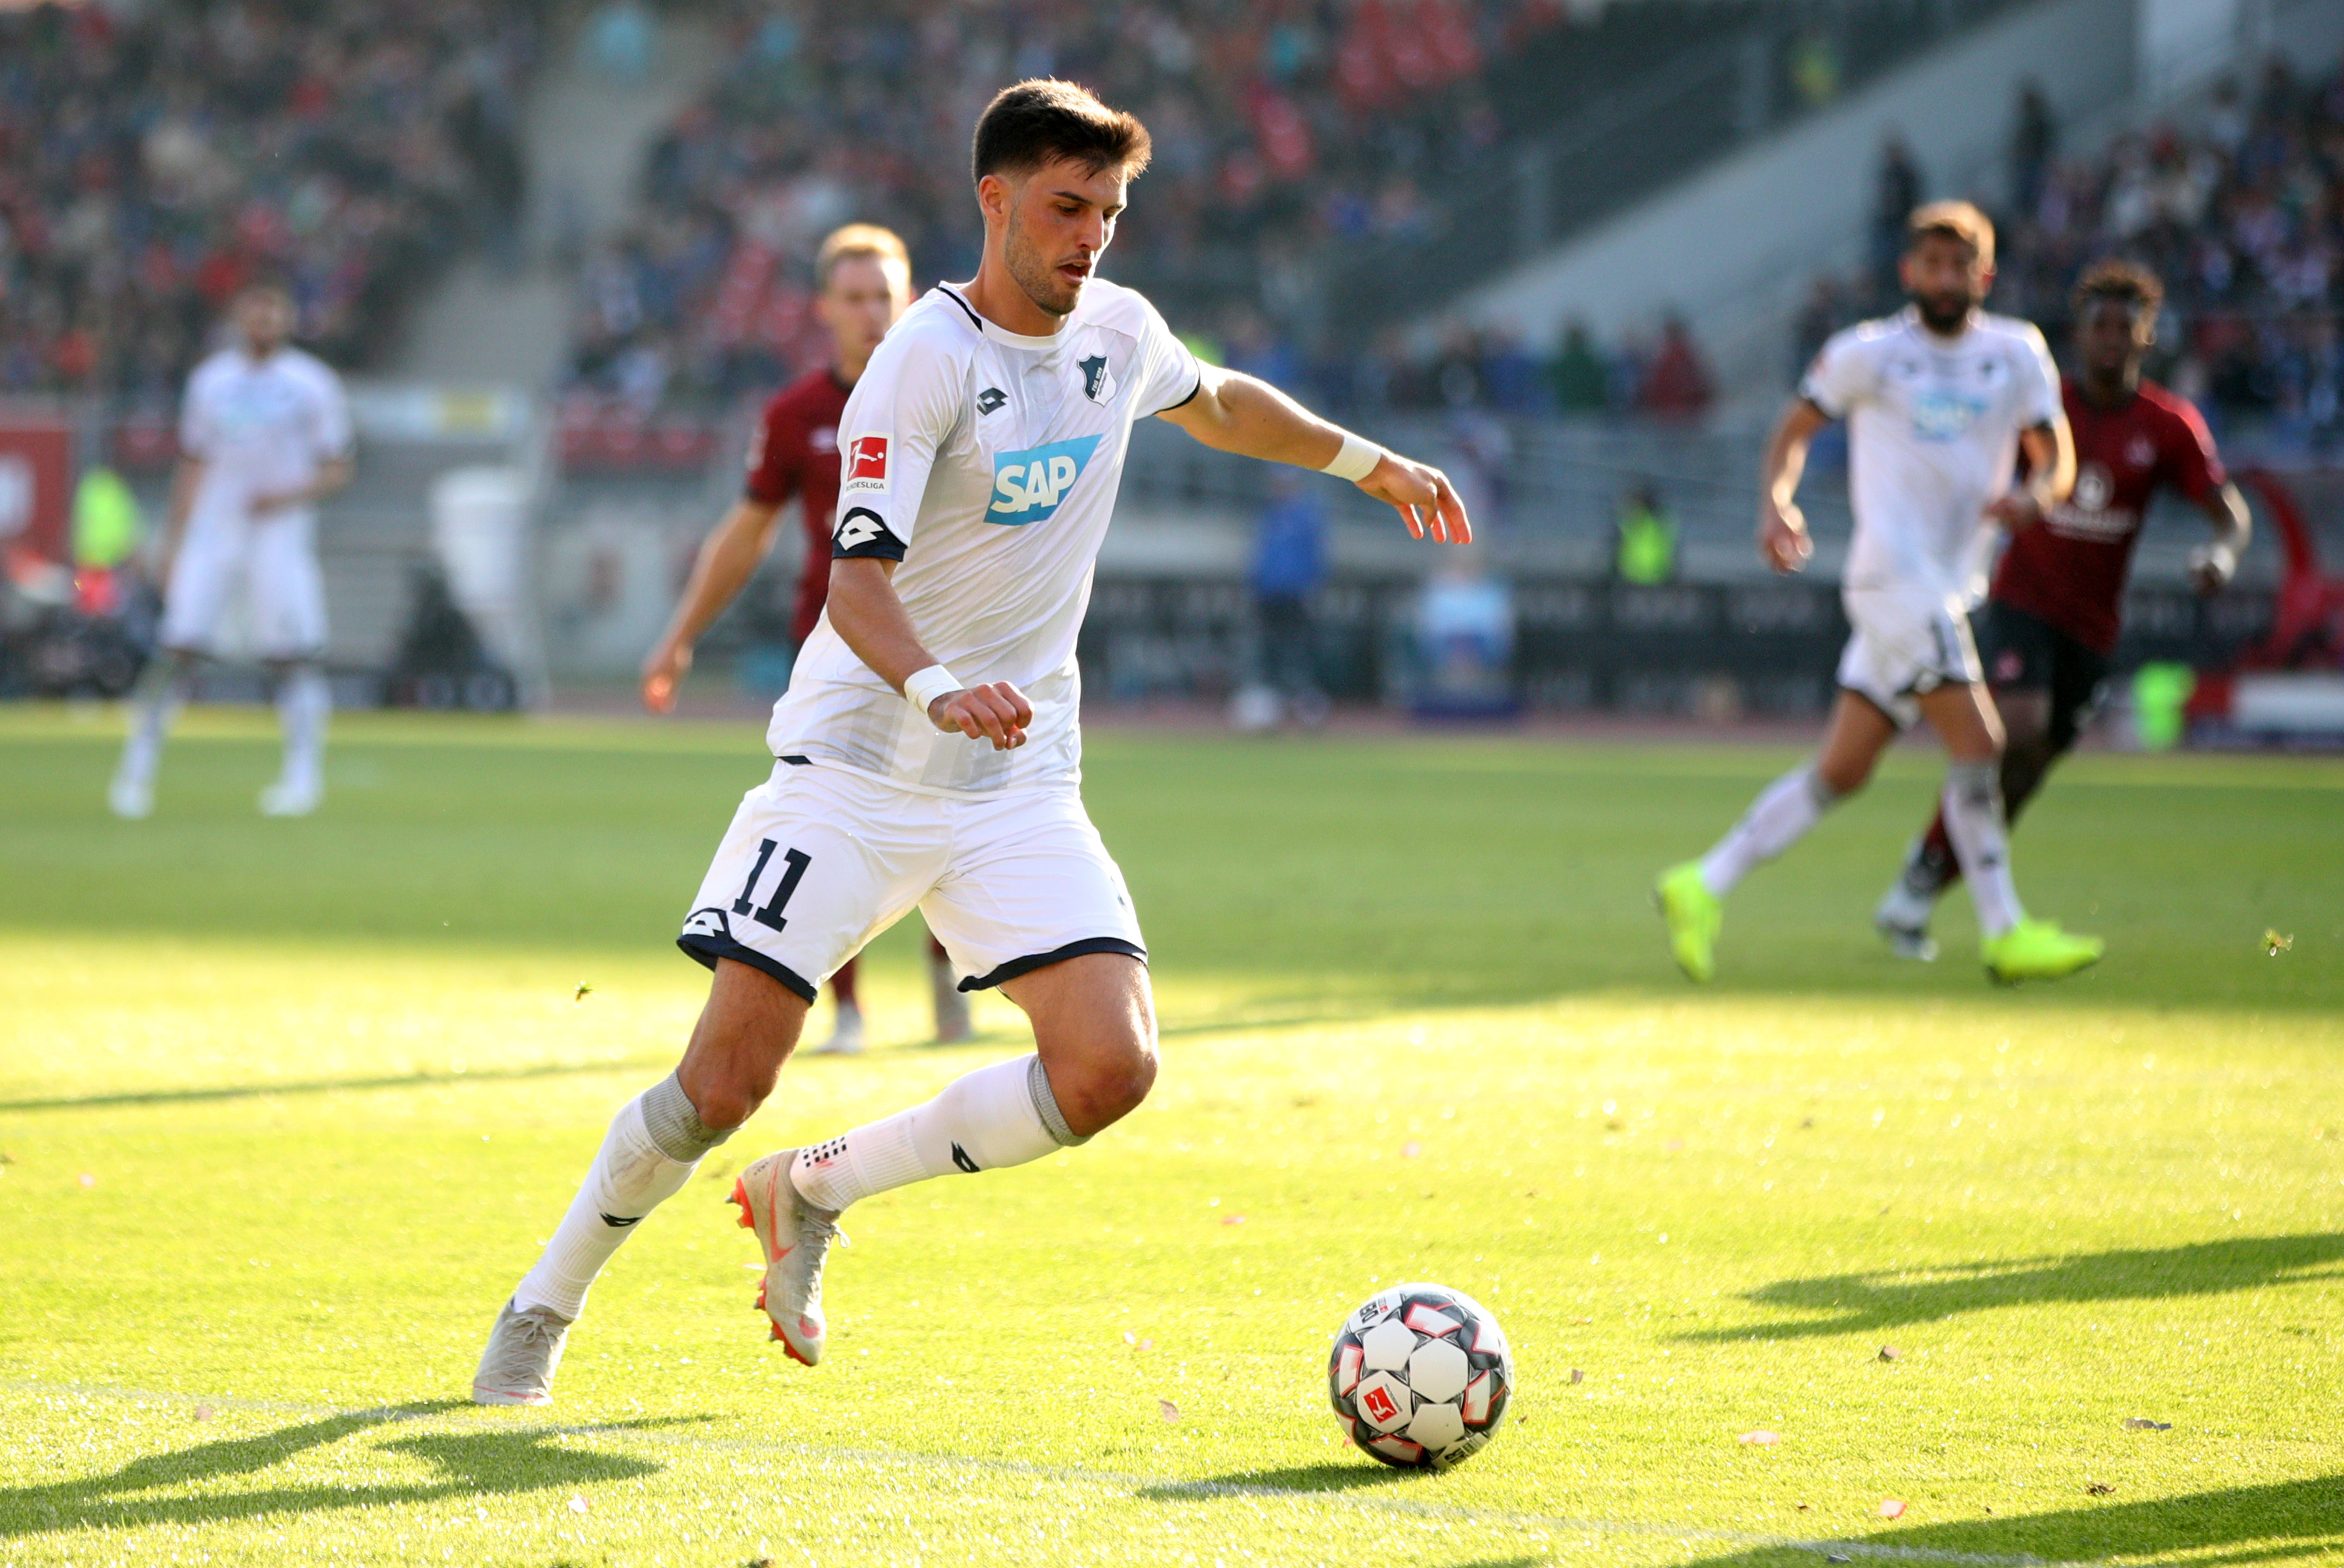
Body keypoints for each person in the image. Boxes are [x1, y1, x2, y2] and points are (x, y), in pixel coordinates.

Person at [472, 78, 1471, 1406]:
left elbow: (1219, 399)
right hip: (858, 765)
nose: (1091, 237)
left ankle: (814, 1192)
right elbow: (854, 585)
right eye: (1067, 208)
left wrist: (1369, 462)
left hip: (1013, 774)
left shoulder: (1118, 329)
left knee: (1111, 1065)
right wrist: (939, 684)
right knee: (721, 1079)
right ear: (994, 200)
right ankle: (542, 1307)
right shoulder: (920, 364)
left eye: (1109, 213)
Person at [1654, 202, 2103, 986]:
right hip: (1893, 579)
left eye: (1957, 265)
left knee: (1841, 770)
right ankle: (2003, 929)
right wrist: (1775, 503)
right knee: (1981, 744)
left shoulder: (2015, 352)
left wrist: (2036, 496)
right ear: (1907, 273)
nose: (1942, 278)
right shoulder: (1867, 353)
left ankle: (1701, 883)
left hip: (1949, 585)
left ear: (1983, 275)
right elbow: (1790, 431)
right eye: (1928, 264)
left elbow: (2054, 454)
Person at [639, 223, 966, 1056]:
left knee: (947, 815)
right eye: (853, 297)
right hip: (836, 655)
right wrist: (679, 636)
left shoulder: (952, 395)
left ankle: (945, 982)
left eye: (883, 297)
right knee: (826, 826)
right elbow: (745, 533)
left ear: (908, 300)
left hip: (943, 647)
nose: (869, 313)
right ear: (823, 308)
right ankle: (846, 1009)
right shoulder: (797, 414)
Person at [1873, 261, 2249, 956]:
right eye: (2097, 327)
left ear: (2145, 337)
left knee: (2023, 773)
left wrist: (2221, 555)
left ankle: (1918, 883)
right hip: (2020, 600)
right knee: (2015, 728)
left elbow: (2227, 512)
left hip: (2091, 628)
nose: (2108, 339)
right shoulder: (2041, 412)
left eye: (2122, 328)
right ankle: (1968, 907)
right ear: (2077, 336)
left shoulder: (2167, 426)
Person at [109, 281, 352, 820]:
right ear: (240, 317)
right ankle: (135, 772)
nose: (263, 319)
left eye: (273, 309)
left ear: (288, 318)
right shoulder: (210, 382)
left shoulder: (312, 384)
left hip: (280, 534)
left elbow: (337, 467)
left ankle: (302, 777)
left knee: (291, 656)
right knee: (177, 648)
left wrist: (286, 495)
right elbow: (192, 463)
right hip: (215, 532)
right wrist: (172, 541)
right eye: (254, 309)